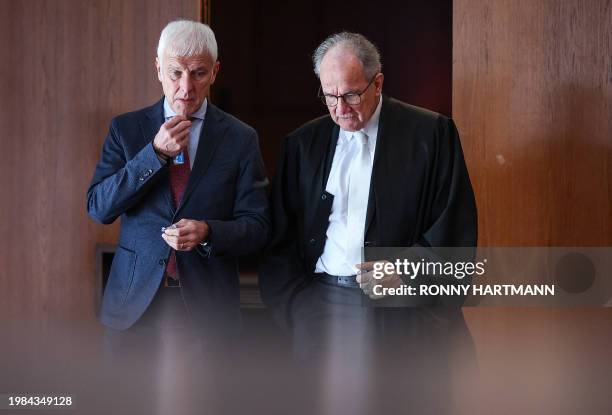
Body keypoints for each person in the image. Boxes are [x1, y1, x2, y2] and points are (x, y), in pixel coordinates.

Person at [259, 32, 477, 410]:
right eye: (329, 95)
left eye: (351, 95)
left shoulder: (432, 134)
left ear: (378, 82)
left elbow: (454, 233)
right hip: (321, 306)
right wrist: (298, 307)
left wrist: (405, 270)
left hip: (405, 314)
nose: (340, 107)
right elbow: (279, 240)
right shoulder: (302, 144)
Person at [87, 20, 269, 358]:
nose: (186, 87)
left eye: (198, 73)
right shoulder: (125, 129)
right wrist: (153, 154)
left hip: (207, 311)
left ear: (215, 72)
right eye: (175, 73)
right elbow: (99, 207)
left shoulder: (241, 138)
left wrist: (208, 231)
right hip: (133, 308)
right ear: (159, 69)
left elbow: (257, 227)